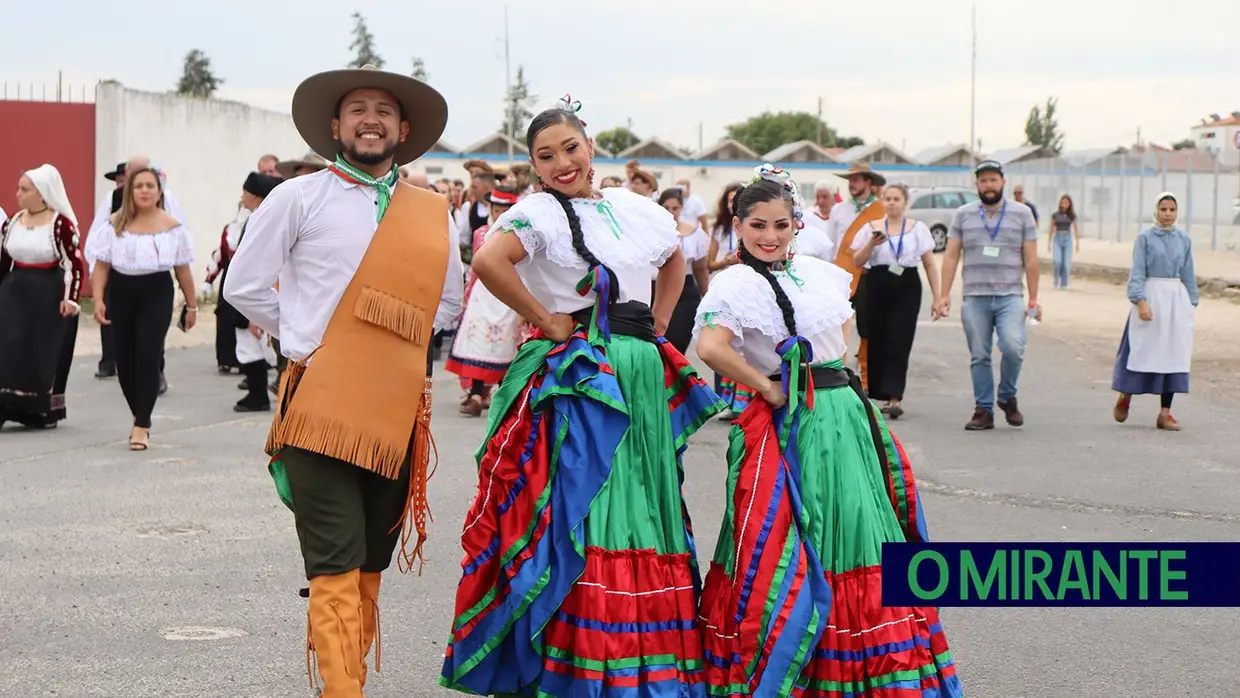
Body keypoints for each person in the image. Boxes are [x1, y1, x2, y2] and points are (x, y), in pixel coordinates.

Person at [440, 98, 723, 697]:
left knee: (647, 505)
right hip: (585, 373)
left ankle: (648, 657)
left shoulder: (631, 207)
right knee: (590, 505)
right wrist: (546, 319)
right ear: (535, 168)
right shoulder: (538, 211)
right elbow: (490, 259)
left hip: (639, 366)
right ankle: (587, 665)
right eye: (546, 156)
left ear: (589, 145)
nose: (562, 162)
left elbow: (674, 263)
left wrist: (655, 327)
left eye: (570, 147)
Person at [224, 64, 462, 697]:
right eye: (357, 108)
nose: (370, 119)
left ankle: (348, 679)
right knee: (332, 561)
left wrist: (393, 345)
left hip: (395, 407)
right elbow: (243, 287)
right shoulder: (297, 197)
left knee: (368, 565)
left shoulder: (432, 212)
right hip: (321, 401)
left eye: (384, 110)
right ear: (335, 125)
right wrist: (309, 339)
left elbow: (448, 303)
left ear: (403, 130)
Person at [692, 164, 962, 697]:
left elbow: (840, 332)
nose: (769, 236)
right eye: (757, 226)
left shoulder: (819, 272)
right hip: (796, 420)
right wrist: (767, 386)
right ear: (738, 225)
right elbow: (710, 347)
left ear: (796, 224)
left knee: (861, 528)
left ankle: (862, 662)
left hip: (845, 413)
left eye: (780, 225)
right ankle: (805, 660)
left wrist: (843, 386)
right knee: (800, 534)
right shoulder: (736, 282)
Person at [86, 167, 198, 450]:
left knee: (148, 355)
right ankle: (139, 412)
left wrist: (193, 305)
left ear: (159, 192)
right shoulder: (114, 224)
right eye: (139, 186)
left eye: (150, 185)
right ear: (129, 192)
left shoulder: (172, 227)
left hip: (157, 292)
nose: (145, 191)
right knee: (124, 361)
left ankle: (142, 424)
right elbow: (101, 267)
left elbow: (183, 271)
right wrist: (98, 300)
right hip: (121, 292)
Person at [935, 159, 1040, 431]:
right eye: (984, 180)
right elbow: (951, 255)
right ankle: (984, 409)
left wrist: (1033, 299)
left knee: (1013, 347)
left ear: (1003, 182)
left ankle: (1007, 396)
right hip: (975, 296)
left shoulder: (1022, 213)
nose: (989, 185)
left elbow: (1030, 259)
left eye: (994, 180)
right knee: (979, 354)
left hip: (1010, 296)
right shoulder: (963, 214)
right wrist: (943, 295)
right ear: (977, 184)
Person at [0, 164, 84, 429]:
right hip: (14, 293)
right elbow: (4, 259)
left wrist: (70, 299)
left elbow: (74, 264)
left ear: (42, 193)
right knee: (9, 348)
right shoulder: (14, 221)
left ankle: (37, 410)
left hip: (47, 295)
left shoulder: (60, 225)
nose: (18, 194)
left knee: (39, 353)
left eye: (24, 190)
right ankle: (6, 407)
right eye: (18, 188)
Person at [850, 183, 943, 417]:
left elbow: (930, 263)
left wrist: (938, 296)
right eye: (888, 198)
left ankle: (894, 397)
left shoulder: (917, 229)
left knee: (900, 341)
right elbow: (857, 261)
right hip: (877, 283)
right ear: (882, 201)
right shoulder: (871, 227)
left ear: (905, 202)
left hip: (906, 285)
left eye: (896, 199)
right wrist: (872, 244)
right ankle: (875, 392)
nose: (892, 203)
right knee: (877, 338)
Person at [1112, 192, 1198, 431]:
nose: (1168, 214)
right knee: (1142, 349)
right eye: (1163, 209)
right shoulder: (1145, 238)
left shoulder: (1184, 240)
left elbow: (1188, 272)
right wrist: (1140, 301)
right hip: (1151, 296)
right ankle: (1126, 395)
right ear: (1156, 211)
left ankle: (1165, 412)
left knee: (1172, 351)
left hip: (1175, 300)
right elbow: (1137, 271)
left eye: (1172, 210)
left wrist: (1191, 301)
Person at [444, 185, 528, 416]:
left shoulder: (520, 234)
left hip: (507, 293)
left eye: (504, 210)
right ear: (489, 208)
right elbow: (475, 270)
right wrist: (467, 294)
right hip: (483, 294)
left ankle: (503, 396)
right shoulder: (481, 232)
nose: (498, 214)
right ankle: (477, 393)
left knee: (504, 343)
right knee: (478, 341)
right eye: (495, 208)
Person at [220, 172, 283, 412]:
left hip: (254, 292)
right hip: (245, 292)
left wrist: (255, 313)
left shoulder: (260, 221)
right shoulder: (253, 219)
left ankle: (258, 395)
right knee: (245, 345)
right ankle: (256, 392)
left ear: (255, 195)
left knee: (250, 347)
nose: (241, 196)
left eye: (245, 192)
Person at [829, 164, 886, 390]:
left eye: (858, 179)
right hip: (841, 274)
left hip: (868, 274)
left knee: (867, 327)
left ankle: (866, 376)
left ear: (869, 183)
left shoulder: (881, 210)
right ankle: (836, 373)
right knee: (835, 325)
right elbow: (833, 245)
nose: (852, 183)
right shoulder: (839, 211)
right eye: (850, 179)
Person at [657, 187, 711, 354]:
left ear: (682, 208)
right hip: (655, 288)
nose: (671, 212)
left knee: (676, 346)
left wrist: (707, 298)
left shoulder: (694, 233)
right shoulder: (649, 231)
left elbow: (700, 268)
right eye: (666, 208)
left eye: (675, 208)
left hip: (685, 290)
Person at [1048, 193, 1080, 289]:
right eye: (1063, 202)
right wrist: (1049, 242)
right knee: (1057, 261)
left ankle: (1064, 283)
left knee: (1066, 263)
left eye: (1067, 202)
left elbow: (1076, 228)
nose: (1065, 204)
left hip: (1067, 238)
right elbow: (1051, 228)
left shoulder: (1071, 215)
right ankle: (1056, 279)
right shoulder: (1055, 215)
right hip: (1058, 237)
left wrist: (1077, 242)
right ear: (1060, 203)